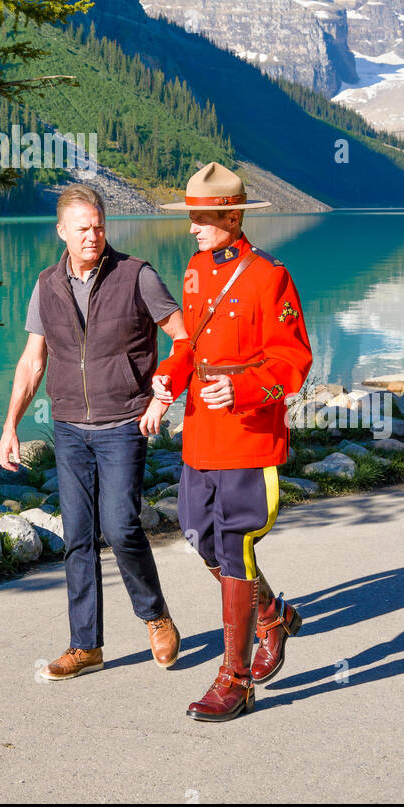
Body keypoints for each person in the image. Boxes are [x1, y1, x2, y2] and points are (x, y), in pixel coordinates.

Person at [0, 183, 187, 679]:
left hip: (124, 421)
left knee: (121, 526)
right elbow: (32, 361)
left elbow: (184, 337)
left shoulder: (136, 275)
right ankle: (86, 646)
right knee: (78, 537)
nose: (93, 236)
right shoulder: (46, 285)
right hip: (69, 428)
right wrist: (10, 425)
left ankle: (156, 616)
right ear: (61, 231)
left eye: (99, 226)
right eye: (83, 228)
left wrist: (163, 396)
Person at [148, 161, 312, 721]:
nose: (192, 226)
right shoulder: (195, 269)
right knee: (197, 535)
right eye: (190, 216)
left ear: (232, 216)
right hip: (200, 433)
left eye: (202, 217)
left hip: (248, 435)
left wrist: (241, 389)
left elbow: (293, 359)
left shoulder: (269, 276)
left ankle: (235, 679)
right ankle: (273, 616)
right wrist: (169, 379)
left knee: (236, 542)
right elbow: (189, 346)